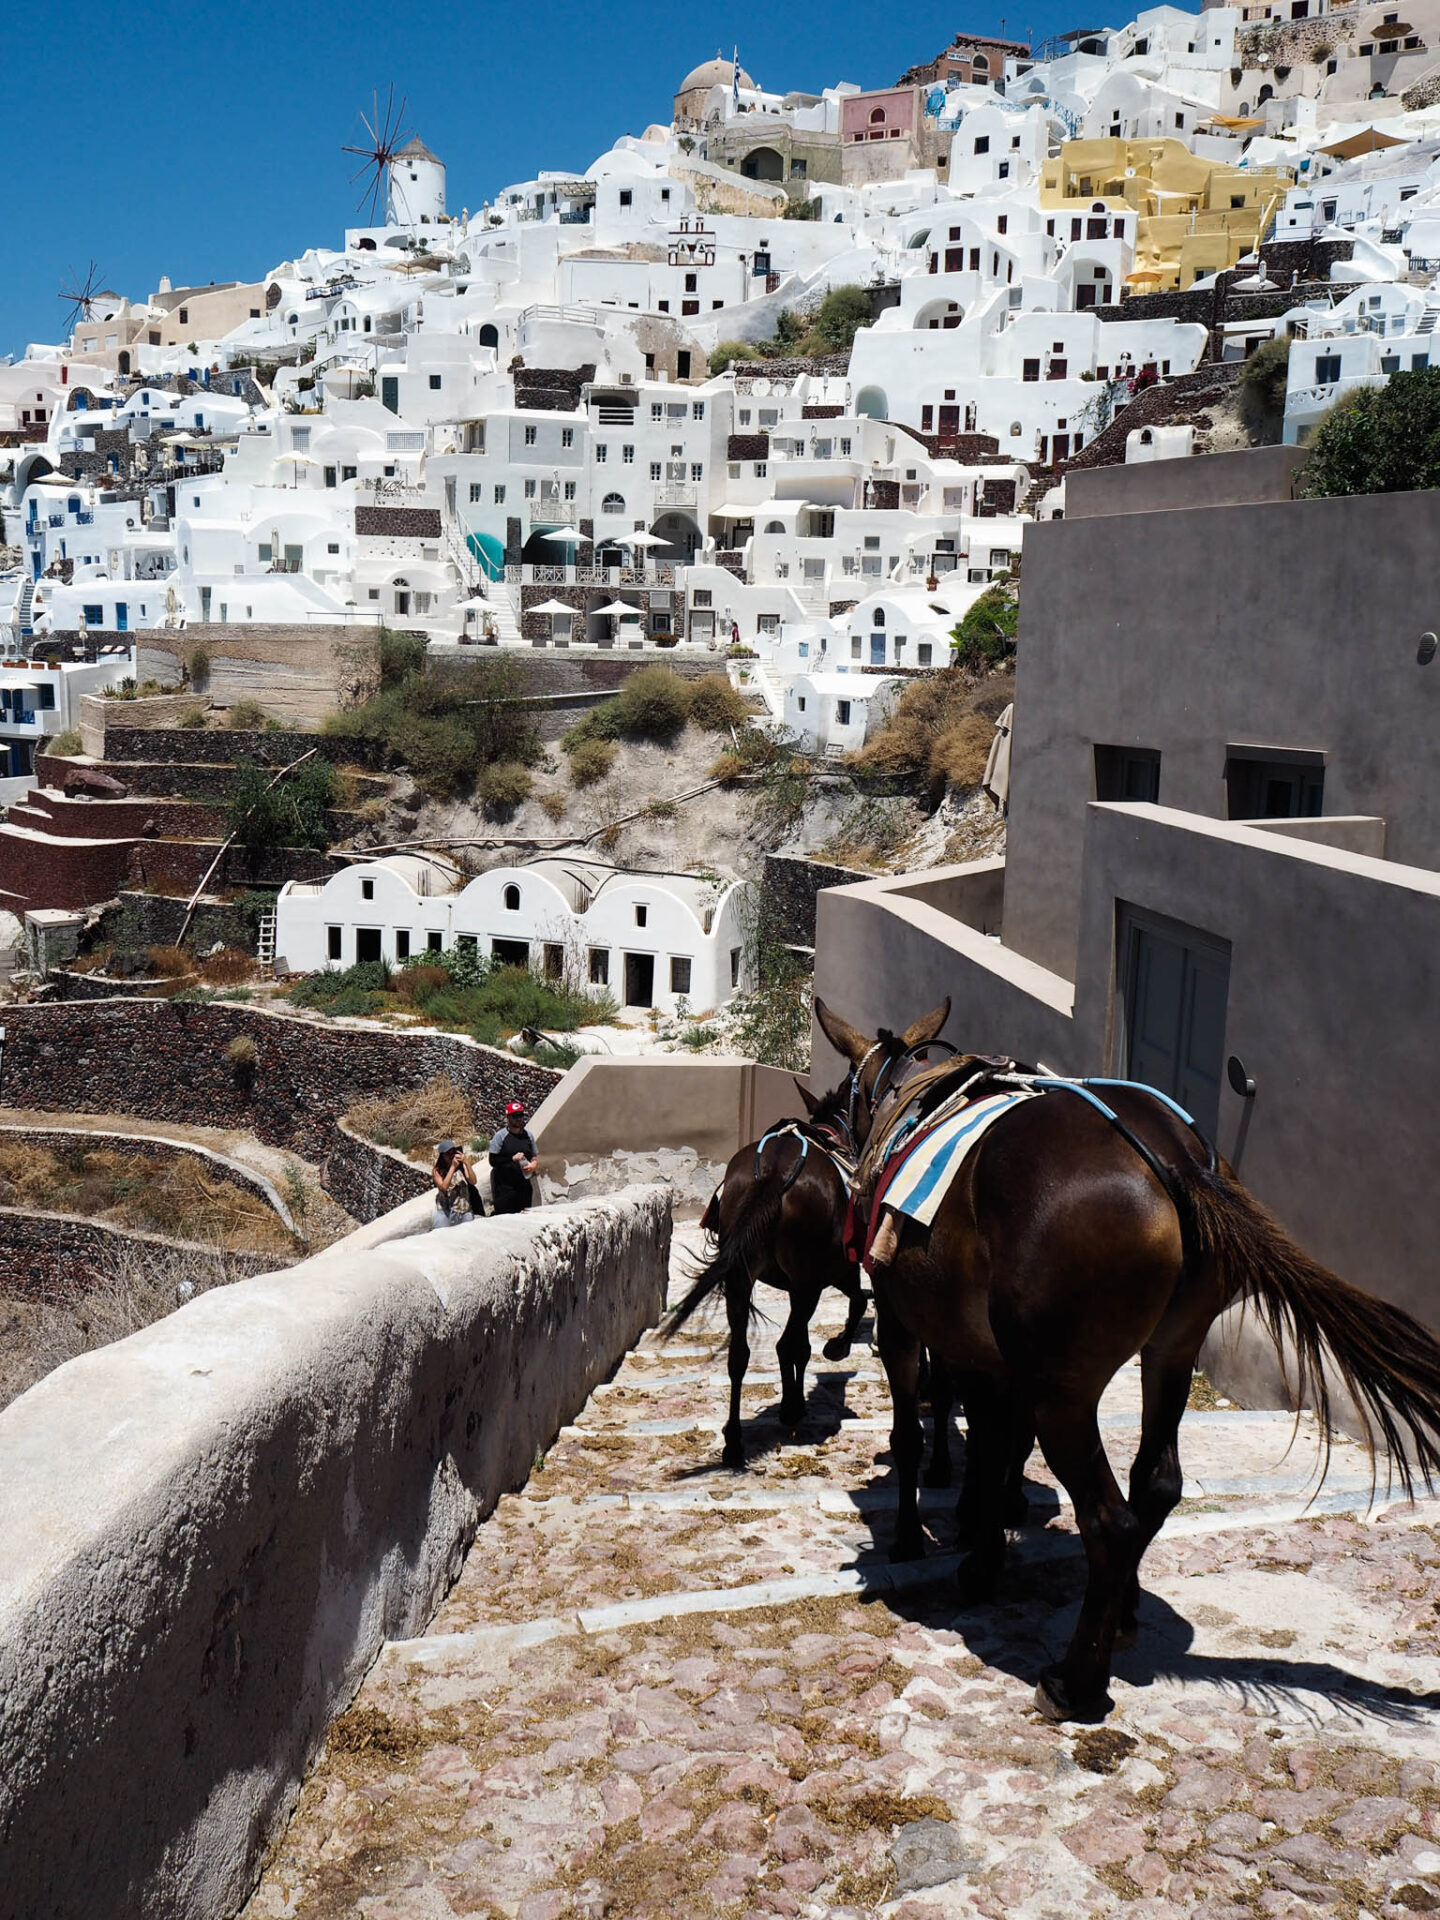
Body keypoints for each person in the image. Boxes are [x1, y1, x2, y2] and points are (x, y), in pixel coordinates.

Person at [489, 1100, 538, 1214]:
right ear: (508, 1117)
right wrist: (511, 1159)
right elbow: (493, 1160)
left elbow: (534, 1156)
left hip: (524, 1186)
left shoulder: (528, 1135)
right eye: (514, 1116)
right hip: (504, 1188)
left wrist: (533, 1165)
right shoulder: (500, 1136)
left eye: (520, 1115)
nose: (518, 1119)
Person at [432, 1139, 483, 1229]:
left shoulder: (461, 1166)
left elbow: (473, 1181)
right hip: (446, 1211)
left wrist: (466, 1163)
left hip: (464, 1210)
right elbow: (444, 1187)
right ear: (442, 1156)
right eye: (448, 1154)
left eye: (453, 1152)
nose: (451, 1156)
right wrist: (452, 1167)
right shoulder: (437, 1171)